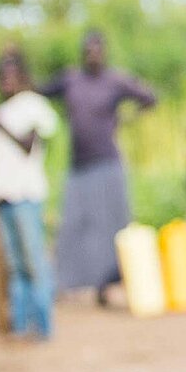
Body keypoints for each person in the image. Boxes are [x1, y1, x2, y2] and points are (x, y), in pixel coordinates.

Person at [39, 30, 156, 306]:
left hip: (108, 163)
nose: (92, 54)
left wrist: (126, 118)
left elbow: (149, 97)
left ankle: (109, 286)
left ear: (104, 52)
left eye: (97, 49)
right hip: (78, 166)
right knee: (74, 227)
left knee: (111, 227)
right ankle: (67, 285)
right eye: (88, 49)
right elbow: (38, 90)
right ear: (83, 53)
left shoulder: (115, 80)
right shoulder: (71, 79)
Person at [0, 50, 59, 341]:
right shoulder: (3, 110)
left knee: (34, 263)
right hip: (2, 199)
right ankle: (20, 328)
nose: (5, 81)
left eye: (10, 75)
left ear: (22, 77)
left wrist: (2, 126)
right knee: (15, 267)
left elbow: (28, 145)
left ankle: (43, 328)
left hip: (26, 197)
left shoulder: (33, 105)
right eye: (1, 76)